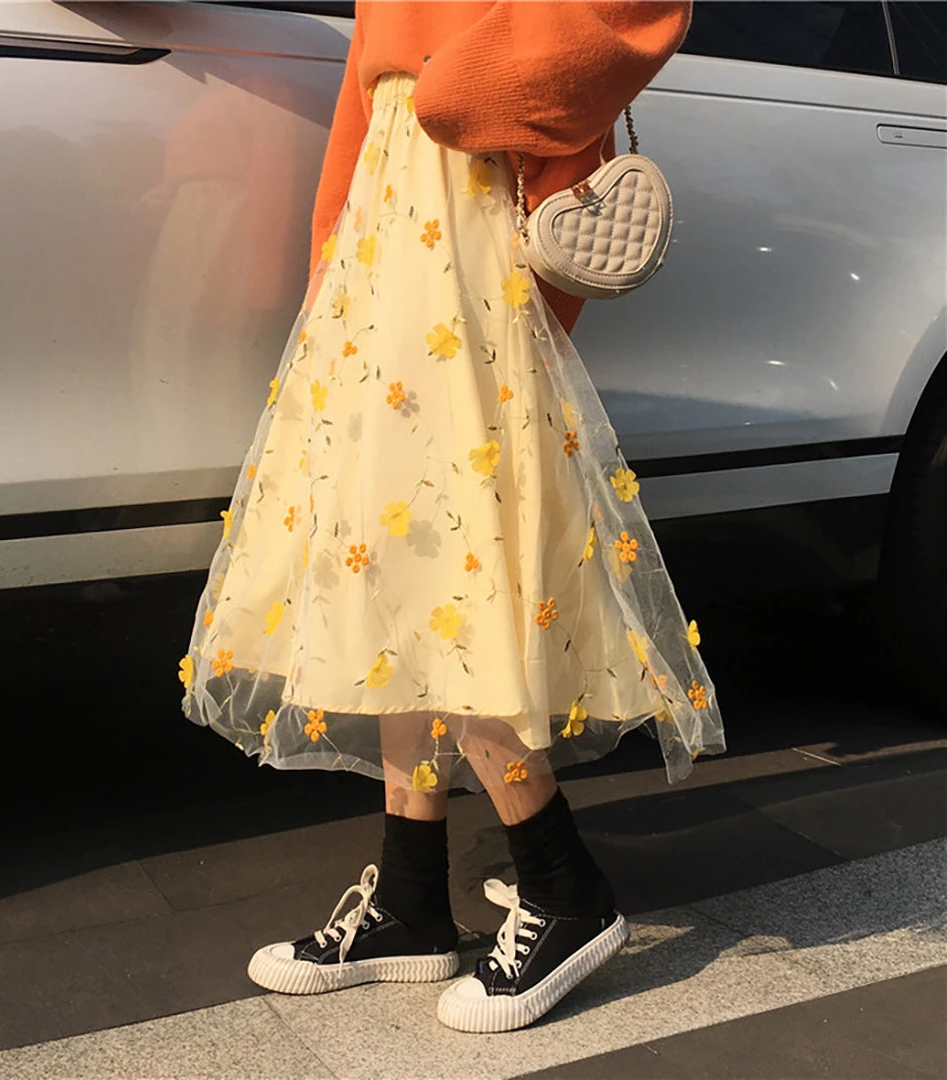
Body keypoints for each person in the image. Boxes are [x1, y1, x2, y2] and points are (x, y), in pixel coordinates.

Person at [178, 0, 724, 1033]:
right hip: (391, 211)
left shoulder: (457, 102)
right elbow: (368, 71)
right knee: (389, 539)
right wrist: (336, 243)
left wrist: (454, 86)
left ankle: (564, 884)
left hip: (468, 188)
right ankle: (410, 898)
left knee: (448, 545)